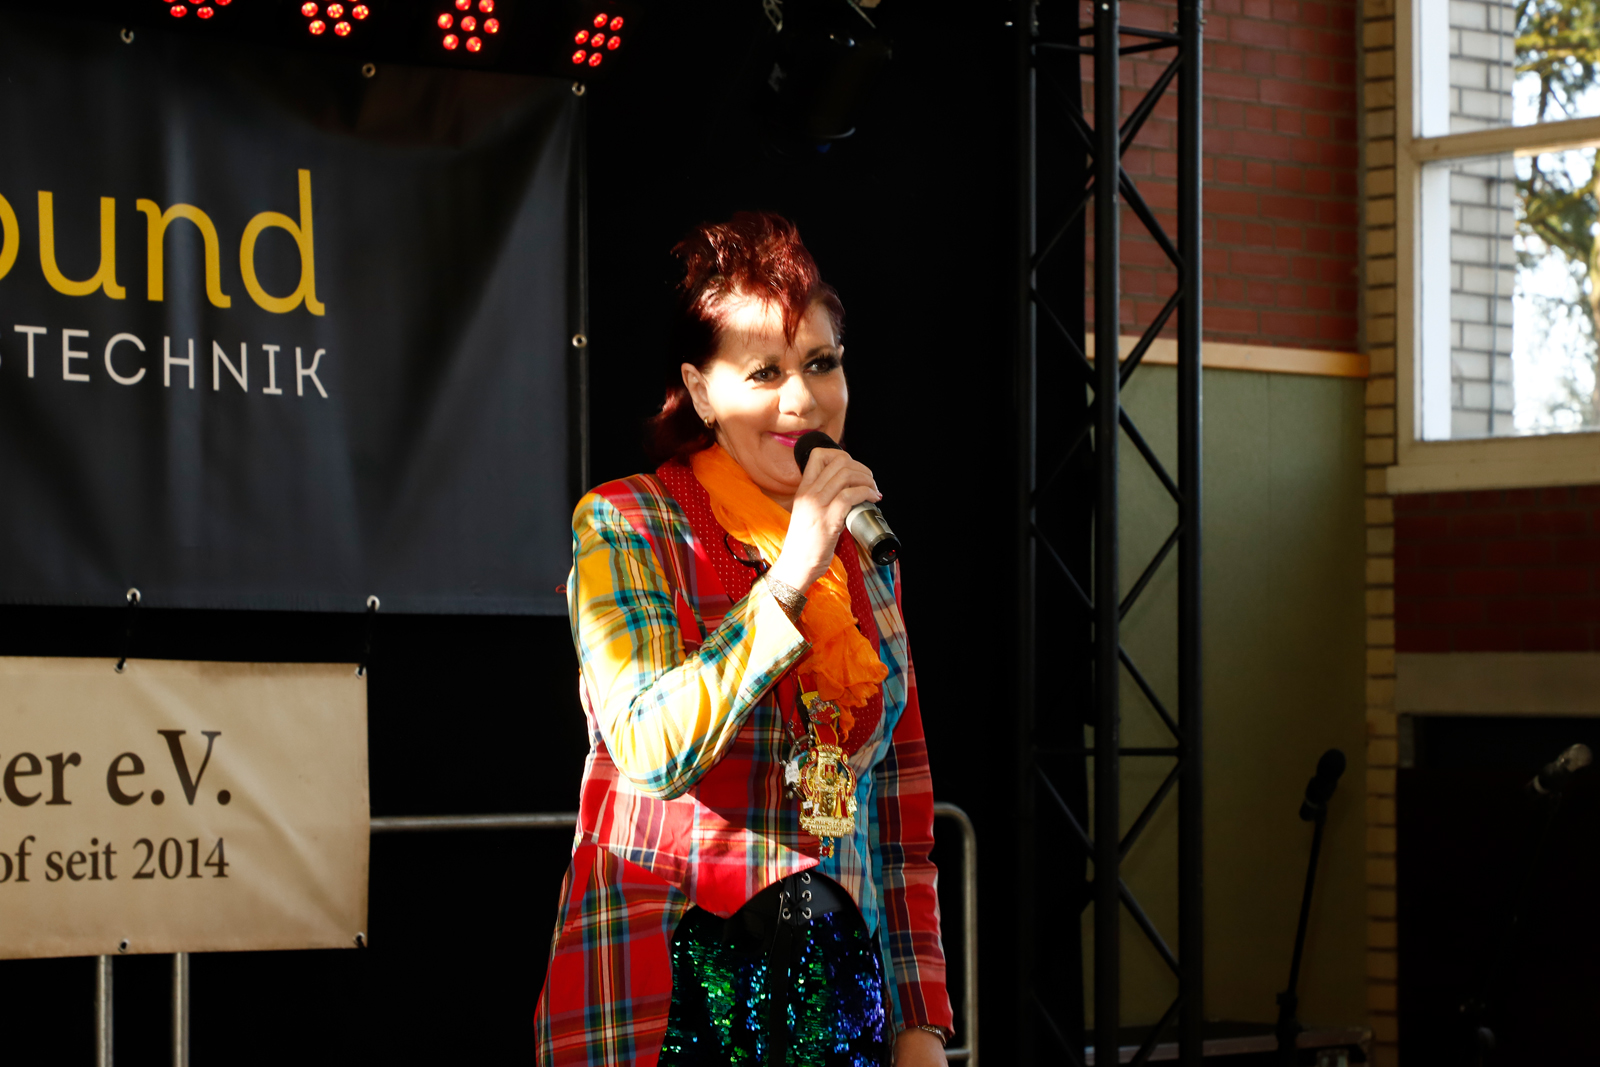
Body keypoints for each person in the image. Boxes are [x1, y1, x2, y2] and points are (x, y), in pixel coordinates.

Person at [534, 212, 952, 1067]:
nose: (802, 398)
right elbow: (651, 746)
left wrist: (920, 1020)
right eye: (764, 371)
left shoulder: (864, 560)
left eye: (822, 363)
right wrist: (790, 577)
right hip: (673, 992)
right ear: (700, 392)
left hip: (836, 998)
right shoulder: (628, 523)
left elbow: (898, 811)